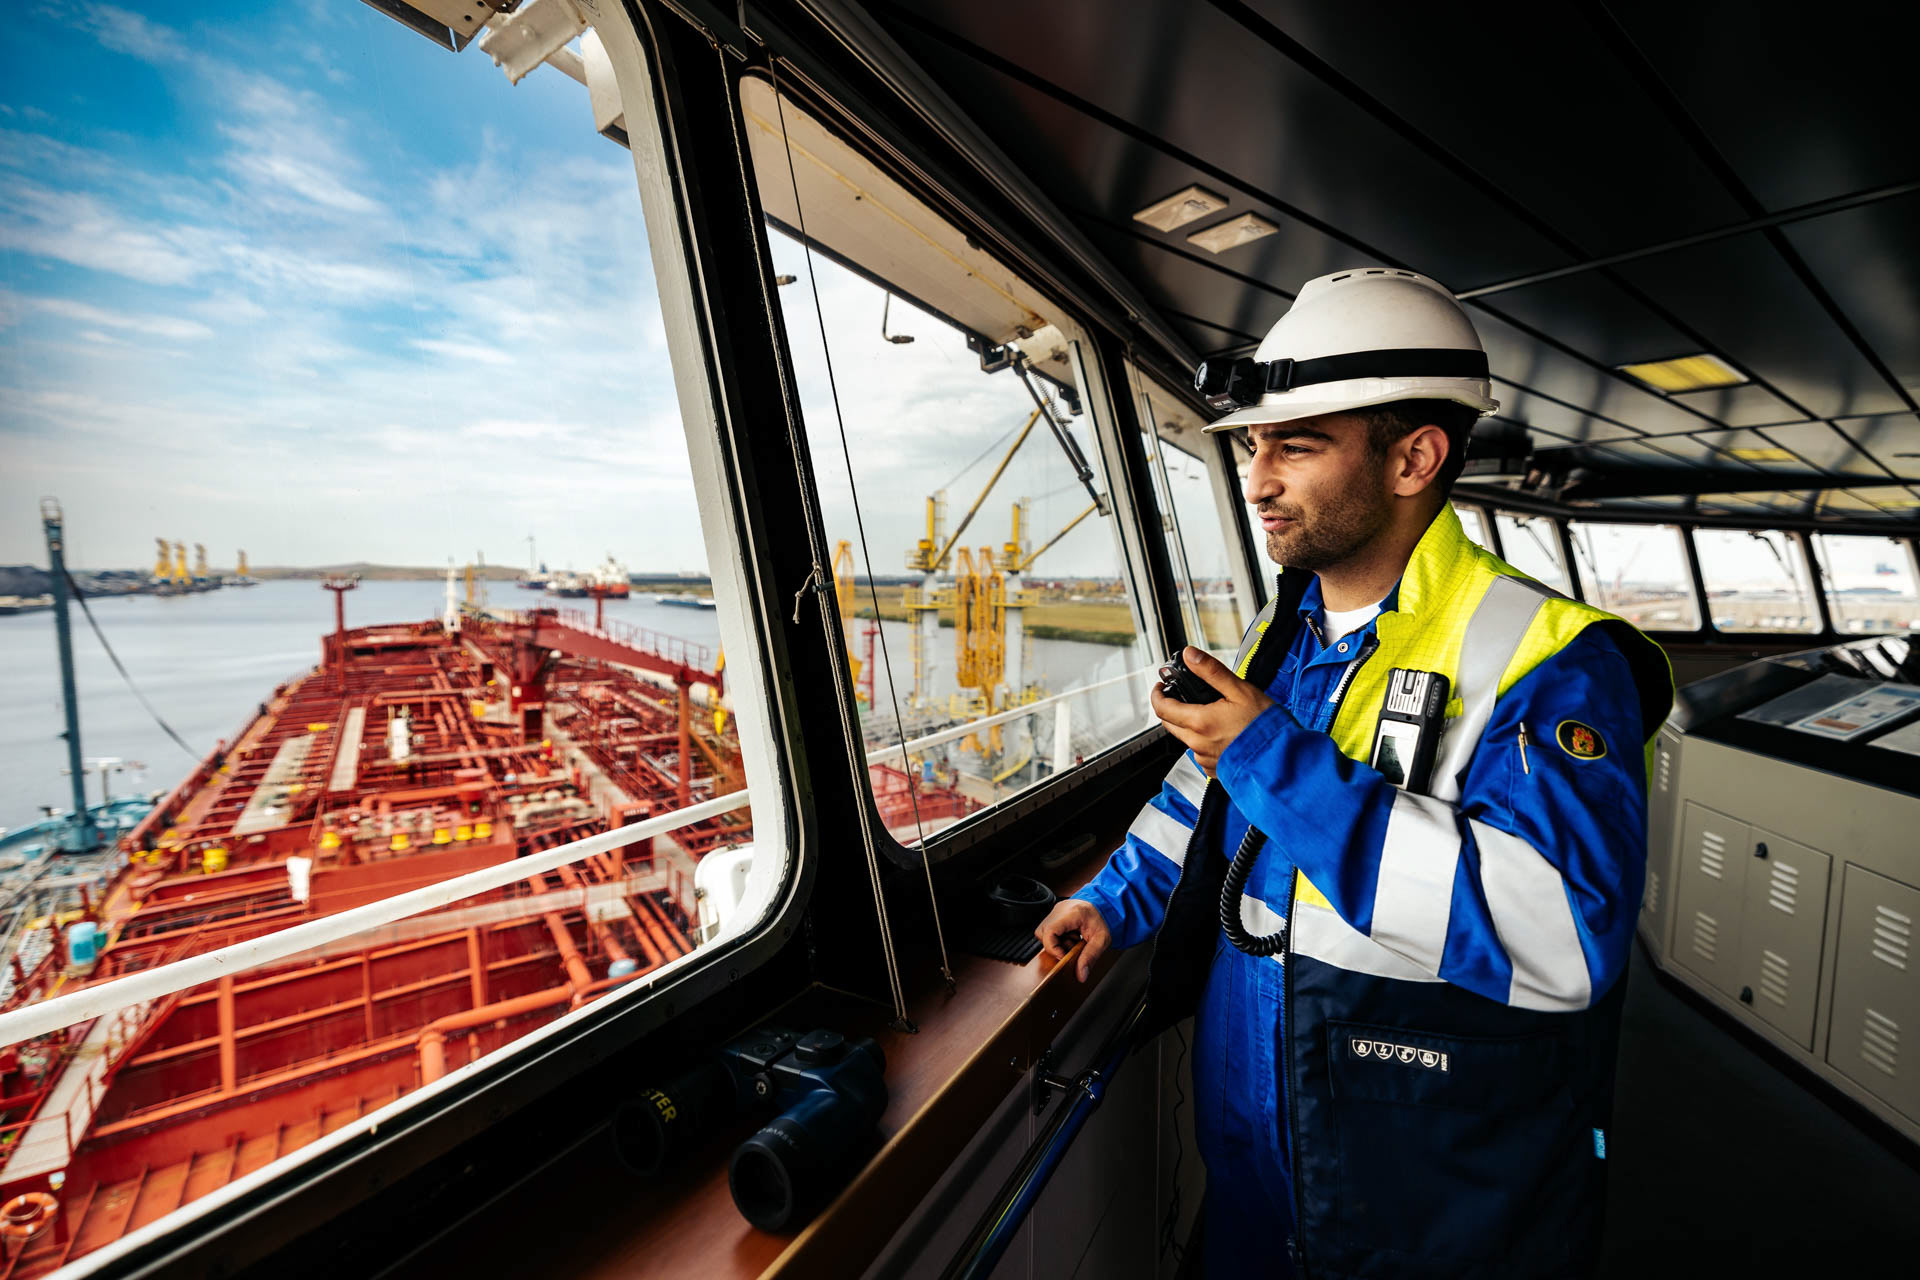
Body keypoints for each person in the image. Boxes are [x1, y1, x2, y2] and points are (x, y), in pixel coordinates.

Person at [1034, 268, 1672, 1279]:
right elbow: (1207, 791)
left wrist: (1265, 751)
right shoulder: (1284, 633)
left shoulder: (1556, 660)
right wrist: (1119, 894)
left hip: (1433, 1198)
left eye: (1297, 443)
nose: (1257, 480)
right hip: (1257, 1166)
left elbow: (1563, 936)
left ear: (1415, 456)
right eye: (1254, 444)